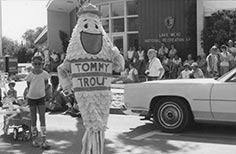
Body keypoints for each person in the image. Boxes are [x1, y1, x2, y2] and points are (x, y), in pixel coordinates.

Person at [25, 56, 50, 149]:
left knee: (42, 117)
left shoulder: (45, 74)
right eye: (35, 64)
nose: (37, 66)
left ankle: (44, 139)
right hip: (31, 98)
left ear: (42, 64)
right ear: (32, 64)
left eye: (39, 64)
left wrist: (43, 91)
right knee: (33, 118)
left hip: (41, 98)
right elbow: (28, 85)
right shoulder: (30, 75)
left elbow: (46, 83)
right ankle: (34, 139)